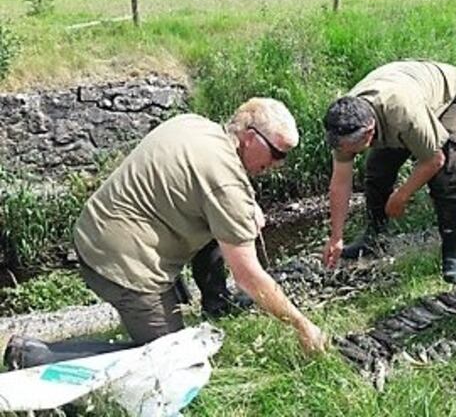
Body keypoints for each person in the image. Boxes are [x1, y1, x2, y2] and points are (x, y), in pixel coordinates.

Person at [3, 98, 327, 370]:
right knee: (172, 364)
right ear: (251, 137)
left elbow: (209, 187)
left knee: (224, 230)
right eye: (278, 154)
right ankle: (34, 355)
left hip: (95, 231)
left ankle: (216, 302)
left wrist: (245, 208)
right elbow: (249, 276)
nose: (279, 164)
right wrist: (302, 324)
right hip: (119, 264)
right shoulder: (225, 182)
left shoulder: (195, 125)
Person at [322, 60, 456, 284]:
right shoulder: (343, 124)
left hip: (448, 96)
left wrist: (401, 195)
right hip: (404, 84)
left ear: (369, 133)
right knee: (376, 172)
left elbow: (434, 159)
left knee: (445, 180)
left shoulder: (404, 115)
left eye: (351, 149)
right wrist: (336, 237)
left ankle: (451, 253)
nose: (346, 153)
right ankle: (375, 238)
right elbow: (340, 183)